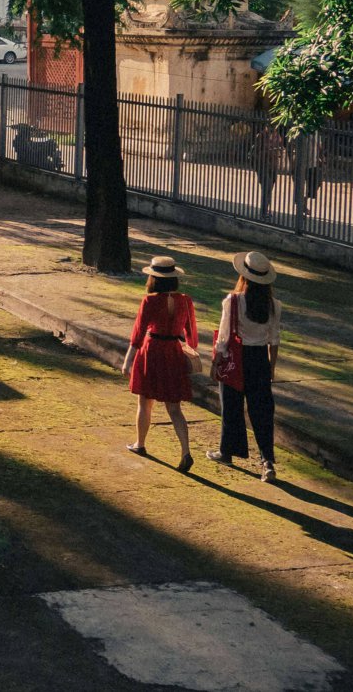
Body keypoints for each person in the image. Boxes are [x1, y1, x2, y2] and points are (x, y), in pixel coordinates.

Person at [209, 251, 283, 481]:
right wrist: (271, 367)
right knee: (261, 410)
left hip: (236, 357)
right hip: (260, 358)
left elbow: (223, 336)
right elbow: (275, 339)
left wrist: (216, 361)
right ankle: (267, 461)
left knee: (231, 405)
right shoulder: (273, 305)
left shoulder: (232, 301)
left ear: (244, 276)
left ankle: (228, 450)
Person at [123, 255, 199, 471]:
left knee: (144, 402)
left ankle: (140, 443)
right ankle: (186, 451)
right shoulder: (185, 300)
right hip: (173, 352)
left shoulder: (150, 301)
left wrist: (127, 361)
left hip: (152, 350)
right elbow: (191, 334)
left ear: (153, 279)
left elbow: (138, 333)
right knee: (174, 407)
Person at [253, 123, 285, 216]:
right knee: (266, 187)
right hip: (263, 166)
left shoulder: (277, 136)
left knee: (269, 188)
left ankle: (266, 209)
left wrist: (279, 150)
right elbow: (257, 153)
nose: (273, 128)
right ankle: (263, 211)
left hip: (273, 166)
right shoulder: (261, 136)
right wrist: (268, 151)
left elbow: (281, 147)